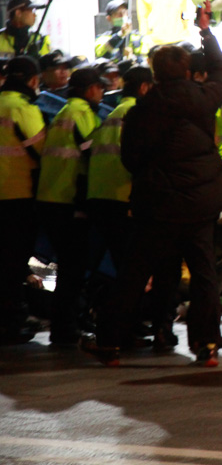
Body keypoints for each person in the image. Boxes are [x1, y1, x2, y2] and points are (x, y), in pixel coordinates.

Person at [84, 1, 222, 366]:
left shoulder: (141, 111)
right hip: (201, 202)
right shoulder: (205, 98)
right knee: (204, 273)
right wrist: (205, 30)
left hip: (158, 205)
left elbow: (131, 159)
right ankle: (207, 345)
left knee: (134, 273)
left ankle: (109, 343)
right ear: (187, 70)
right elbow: (220, 68)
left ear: (154, 74)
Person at [35, 67, 104, 346]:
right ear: (90, 89)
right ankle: (65, 329)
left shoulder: (64, 111)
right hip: (68, 200)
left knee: (68, 268)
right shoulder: (81, 112)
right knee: (73, 269)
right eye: (99, 87)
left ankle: (66, 324)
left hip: (52, 197)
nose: (102, 92)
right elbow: (93, 152)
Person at [86, 66, 153, 296]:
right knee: (133, 265)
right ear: (144, 87)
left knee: (121, 263)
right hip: (122, 198)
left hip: (99, 196)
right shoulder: (139, 112)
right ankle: (129, 314)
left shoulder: (112, 114)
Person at [0, 57, 44, 344]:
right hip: (18, 194)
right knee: (14, 261)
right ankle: (11, 323)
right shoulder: (22, 108)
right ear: (33, 80)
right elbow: (42, 149)